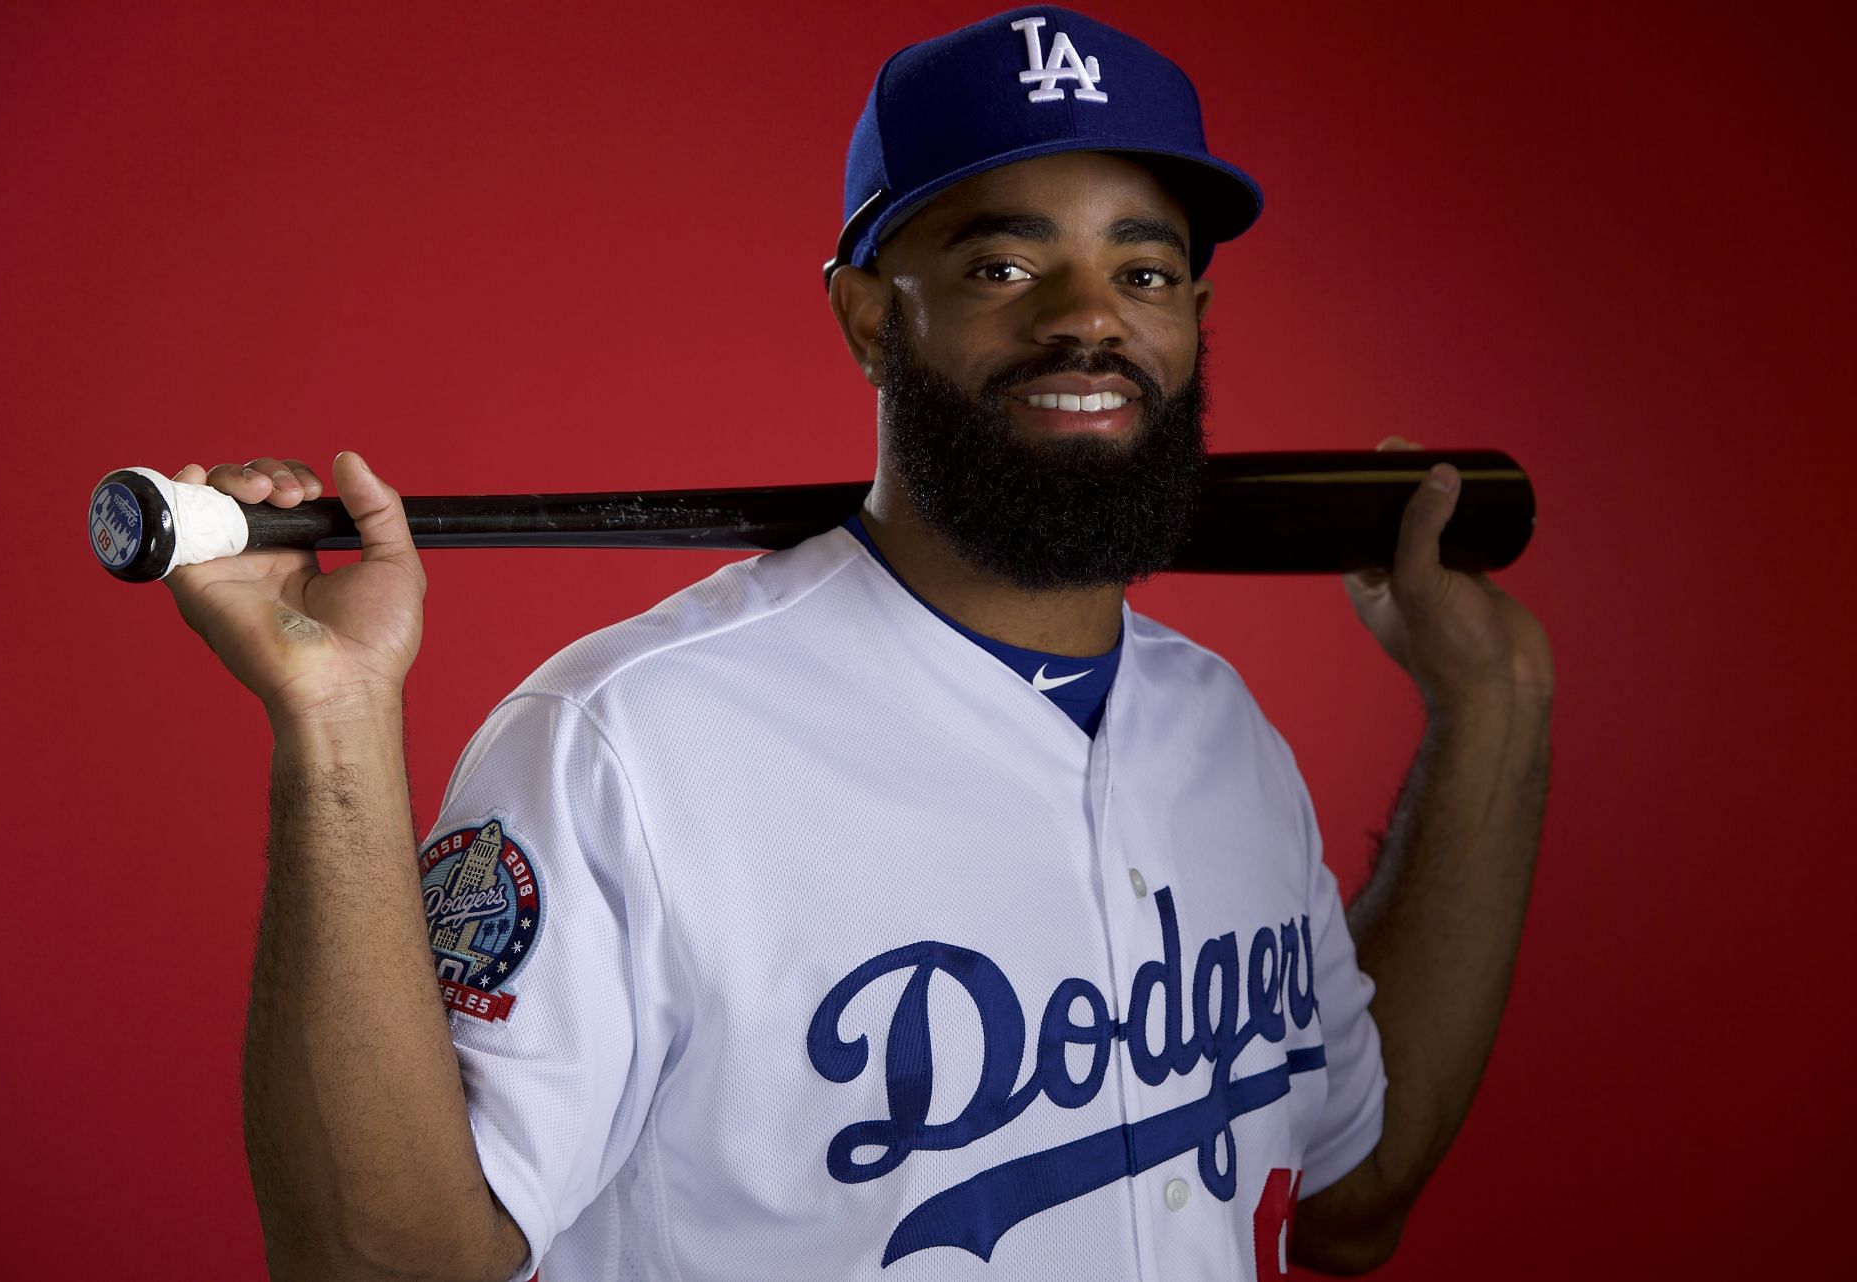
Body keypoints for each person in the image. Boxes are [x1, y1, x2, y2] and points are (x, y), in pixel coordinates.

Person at [166, 8, 1553, 1280]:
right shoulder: (627, 740)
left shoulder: (1227, 733)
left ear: (1192, 320)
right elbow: (376, 1268)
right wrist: (333, 718)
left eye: (1145, 267)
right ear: (869, 315)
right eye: (1004, 262)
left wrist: (1493, 702)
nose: (1088, 317)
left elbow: (1352, 1193)